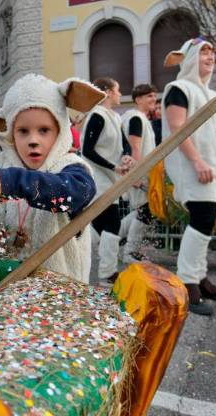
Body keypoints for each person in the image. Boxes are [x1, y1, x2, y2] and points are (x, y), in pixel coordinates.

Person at [0, 74, 103, 283]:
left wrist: (10, 181)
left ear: (60, 131)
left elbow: (71, 194)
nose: (33, 140)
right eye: (23, 131)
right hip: (3, 288)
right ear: (10, 134)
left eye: (44, 130)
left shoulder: (72, 169)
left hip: (57, 292)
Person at [162, 37, 216, 316]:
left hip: (214, 167)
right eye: (203, 52)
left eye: (212, 52)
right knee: (202, 219)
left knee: (206, 221)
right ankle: (188, 283)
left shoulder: (212, 96)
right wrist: (197, 161)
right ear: (190, 58)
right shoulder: (178, 89)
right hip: (192, 166)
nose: (210, 57)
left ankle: (199, 278)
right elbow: (177, 128)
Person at [80, 77, 132, 285]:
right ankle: (107, 274)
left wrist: (126, 156)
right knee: (112, 223)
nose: (120, 94)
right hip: (97, 178)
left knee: (99, 226)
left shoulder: (115, 117)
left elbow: (125, 144)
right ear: (108, 92)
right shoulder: (97, 116)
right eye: (118, 90)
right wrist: (114, 167)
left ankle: (77, 247)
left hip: (110, 179)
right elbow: (87, 150)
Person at [119, 84, 158, 263]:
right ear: (138, 99)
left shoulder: (138, 118)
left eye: (154, 96)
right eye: (149, 96)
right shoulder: (136, 118)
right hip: (139, 171)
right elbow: (135, 147)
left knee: (142, 210)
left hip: (142, 170)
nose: (154, 99)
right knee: (145, 210)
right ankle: (130, 252)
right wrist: (135, 175)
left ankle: (110, 238)